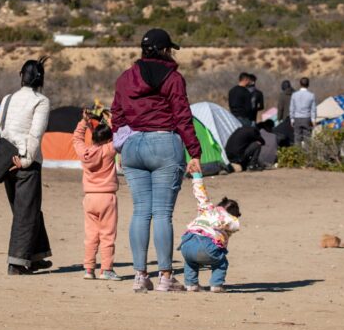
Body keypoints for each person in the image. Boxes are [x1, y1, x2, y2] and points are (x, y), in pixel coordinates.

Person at [111, 28, 202, 293]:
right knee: (162, 213)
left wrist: (123, 140)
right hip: (164, 144)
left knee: (141, 211)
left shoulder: (125, 78)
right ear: (165, 50)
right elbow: (182, 116)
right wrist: (194, 152)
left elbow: (116, 113)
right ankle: (165, 277)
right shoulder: (173, 78)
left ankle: (140, 276)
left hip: (133, 145)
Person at [0, 58, 53, 275]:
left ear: (21, 75)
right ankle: (17, 263)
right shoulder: (41, 101)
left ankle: (35, 257)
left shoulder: (7, 98)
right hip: (24, 162)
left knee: (27, 210)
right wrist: (27, 160)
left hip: (5, 159)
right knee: (26, 213)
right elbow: (35, 134)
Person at [72, 109, 121, 281]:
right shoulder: (109, 150)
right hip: (107, 197)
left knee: (91, 235)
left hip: (89, 198)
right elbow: (120, 137)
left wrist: (84, 122)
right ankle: (106, 269)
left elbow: (77, 138)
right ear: (107, 140)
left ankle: (89, 269)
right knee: (107, 235)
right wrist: (112, 121)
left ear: (92, 139)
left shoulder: (84, 152)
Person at [179, 173, 241, 293]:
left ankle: (191, 285)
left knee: (190, 261)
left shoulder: (207, 208)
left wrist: (197, 176)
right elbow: (235, 226)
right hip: (206, 244)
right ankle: (216, 285)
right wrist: (227, 223)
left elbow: (200, 193)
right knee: (221, 261)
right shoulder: (229, 219)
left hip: (187, 242)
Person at [289, 77, 316, 146]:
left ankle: (298, 155)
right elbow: (313, 109)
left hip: (297, 118)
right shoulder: (311, 95)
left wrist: (292, 119)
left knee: (297, 138)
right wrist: (313, 119)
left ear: (300, 84)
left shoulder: (294, 95)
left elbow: (292, 108)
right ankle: (307, 155)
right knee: (307, 138)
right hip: (306, 118)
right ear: (308, 84)